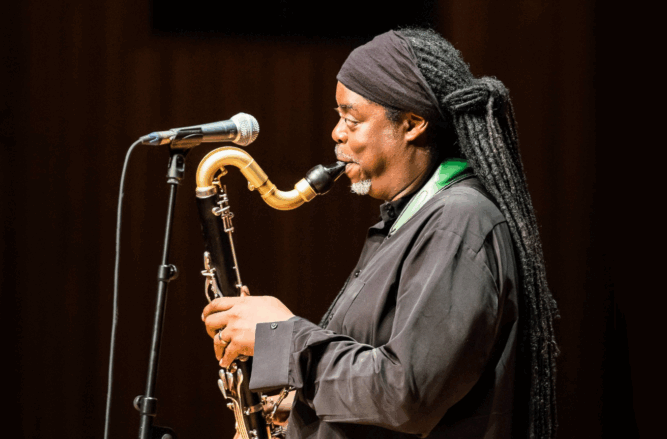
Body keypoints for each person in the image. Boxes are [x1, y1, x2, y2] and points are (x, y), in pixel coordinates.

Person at [202, 28, 559, 438]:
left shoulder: (457, 223)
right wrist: (298, 405)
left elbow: (406, 394)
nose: (337, 133)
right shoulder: (408, 220)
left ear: (412, 123)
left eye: (351, 119)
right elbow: (375, 381)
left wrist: (283, 339)